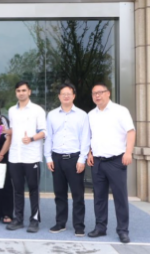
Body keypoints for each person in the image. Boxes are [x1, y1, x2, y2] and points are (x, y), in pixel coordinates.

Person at [87, 83, 136, 244]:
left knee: (120, 197)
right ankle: (100, 227)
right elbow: (89, 136)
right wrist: (89, 152)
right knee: (99, 197)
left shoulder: (120, 111)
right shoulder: (91, 115)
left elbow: (131, 131)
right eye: (94, 93)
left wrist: (128, 152)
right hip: (97, 162)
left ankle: (123, 230)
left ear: (108, 93)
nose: (97, 96)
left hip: (116, 161)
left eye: (100, 92)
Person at [45, 83, 91, 238]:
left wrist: (82, 159)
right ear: (59, 96)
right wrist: (48, 157)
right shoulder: (52, 115)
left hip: (74, 159)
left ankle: (79, 226)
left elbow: (85, 138)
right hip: (57, 158)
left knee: (78, 194)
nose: (66, 96)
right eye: (63, 94)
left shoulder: (82, 115)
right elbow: (49, 137)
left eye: (69, 93)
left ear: (73, 96)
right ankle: (60, 223)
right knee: (59, 194)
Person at [3, 81, 47, 234]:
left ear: (29, 92)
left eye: (23, 90)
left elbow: (44, 132)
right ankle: (18, 219)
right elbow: (14, 130)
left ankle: (34, 220)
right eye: (18, 91)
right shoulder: (11, 110)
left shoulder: (37, 110)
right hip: (15, 155)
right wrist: (6, 131)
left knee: (34, 189)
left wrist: (32, 139)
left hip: (31, 156)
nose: (21, 93)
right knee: (18, 190)